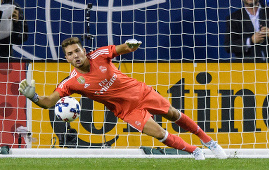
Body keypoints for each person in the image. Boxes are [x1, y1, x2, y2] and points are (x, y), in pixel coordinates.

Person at [19, 37, 228, 161]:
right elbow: (48, 102)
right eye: (70, 54)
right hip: (127, 111)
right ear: (66, 58)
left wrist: (130, 45)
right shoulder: (71, 82)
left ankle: (209, 141)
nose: (75, 55)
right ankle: (194, 151)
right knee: (160, 134)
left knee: (173, 113)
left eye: (77, 51)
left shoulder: (99, 55)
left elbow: (122, 48)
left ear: (84, 50)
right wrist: (33, 96)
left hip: (140, 92)